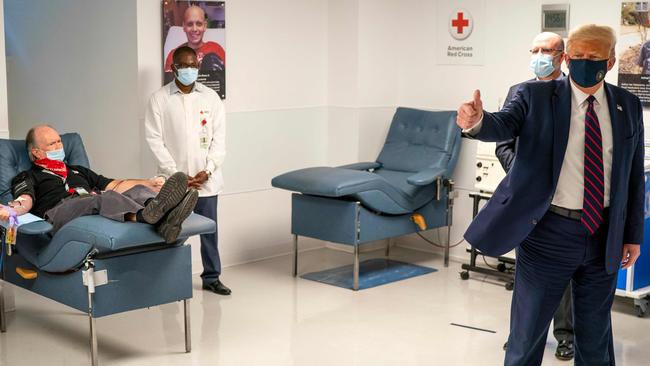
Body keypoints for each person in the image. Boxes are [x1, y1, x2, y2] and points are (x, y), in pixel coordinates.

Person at [457, 24, 643, 365]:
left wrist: (631, 234)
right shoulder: (535, 96)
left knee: (595, 335)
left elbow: (632, 176)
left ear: (611, 61)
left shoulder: (626, 105)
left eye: (595, 57)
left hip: (603, 234)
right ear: (568, 59)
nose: (586, 62)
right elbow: (503, 125)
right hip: (548, 232)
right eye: (580, 56)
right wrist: (477, 121)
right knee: (527, 333)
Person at [496, 32, 575, 361]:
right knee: (527, 274)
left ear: (562, 56)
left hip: (565, 202)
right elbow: (503, 144)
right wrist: (526, 177)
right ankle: (523, 336)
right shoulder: (519, 92)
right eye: (535, 50)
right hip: (528, 202)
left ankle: (566, 335)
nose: (540, 55)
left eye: (546, 50)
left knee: (564, 277)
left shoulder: (576, 95)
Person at [0, 125, 198, 244]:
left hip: (92, 203)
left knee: (137, 190)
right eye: (52, 144)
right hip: (58, 213)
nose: (59, 147)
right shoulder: (29, 175)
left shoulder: (77, 170)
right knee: (100, 198)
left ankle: (166, 219)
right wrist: (11, 211)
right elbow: (24, 199)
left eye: (60, 141)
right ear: (36, 152)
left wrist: (148, 183)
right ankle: (148, 216)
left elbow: (113, 184)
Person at [146, 46, 230, 296]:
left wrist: (209, 170)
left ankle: (212, 276)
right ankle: (167, 277)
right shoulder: (160, 99)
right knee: (171, 229)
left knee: (209, 230)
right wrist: (177, 175)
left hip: (206, 180)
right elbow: (154, 139)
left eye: (194, 65)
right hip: (173, 182)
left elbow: (219, 140)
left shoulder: (210, 97)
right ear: (173, 68)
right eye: (185, 66)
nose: (191, 70)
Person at [164, 5, 225, 78]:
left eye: (199, 24)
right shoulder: (173, 55)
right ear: (184, 27)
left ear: (205, 26)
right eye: (190, 24)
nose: (194, 29)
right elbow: (169, 86)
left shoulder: (216, 49)